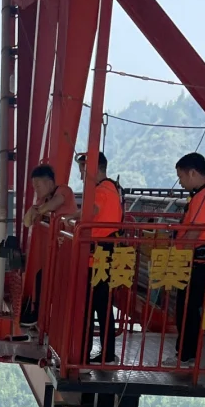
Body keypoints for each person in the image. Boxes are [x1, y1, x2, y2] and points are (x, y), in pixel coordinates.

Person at [172, 151, 205, 366]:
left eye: (181, 177)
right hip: (197, 257)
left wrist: (179, 251)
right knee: (187, 306)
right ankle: (185, 354)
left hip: (195, 258)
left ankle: (186, 355)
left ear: (192, 172)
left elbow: (195, 230)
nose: (181, 183)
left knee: (187, 308)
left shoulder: (203, 196)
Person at [77, 150, 123, 364]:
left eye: (84, 171)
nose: (82, 177)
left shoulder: (101, 191)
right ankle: (103, 352)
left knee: (95, 303)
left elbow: (90, 211)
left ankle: (89, 352)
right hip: (105, 251)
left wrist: (69, 217)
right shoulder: (110, 188)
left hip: (99, 253)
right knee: (101, 304)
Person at [20, 163, 78, 325]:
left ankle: (40, 316)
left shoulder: (63, 191)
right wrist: (34, 209)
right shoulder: (43, 200)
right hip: (58, 249)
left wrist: (37, 210)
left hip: (70, 247)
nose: (36, 189)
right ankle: (40, 315)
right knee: (43, 277)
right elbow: (26, 223)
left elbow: (55, 204)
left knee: (48, 279)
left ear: (50, 183)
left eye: (37, 185)